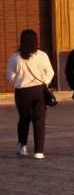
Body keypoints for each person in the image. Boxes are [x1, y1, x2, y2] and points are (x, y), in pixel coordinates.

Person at [7, 29, 54, 159]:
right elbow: (50, 72)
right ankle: (39, 151)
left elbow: (9, 75)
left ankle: (22, 146)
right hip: (39, 90)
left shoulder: (15, 56)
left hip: (22, 92)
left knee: (24, 119)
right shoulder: (42, 55)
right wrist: (45, 83)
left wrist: (18, 81)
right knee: (39, 121)